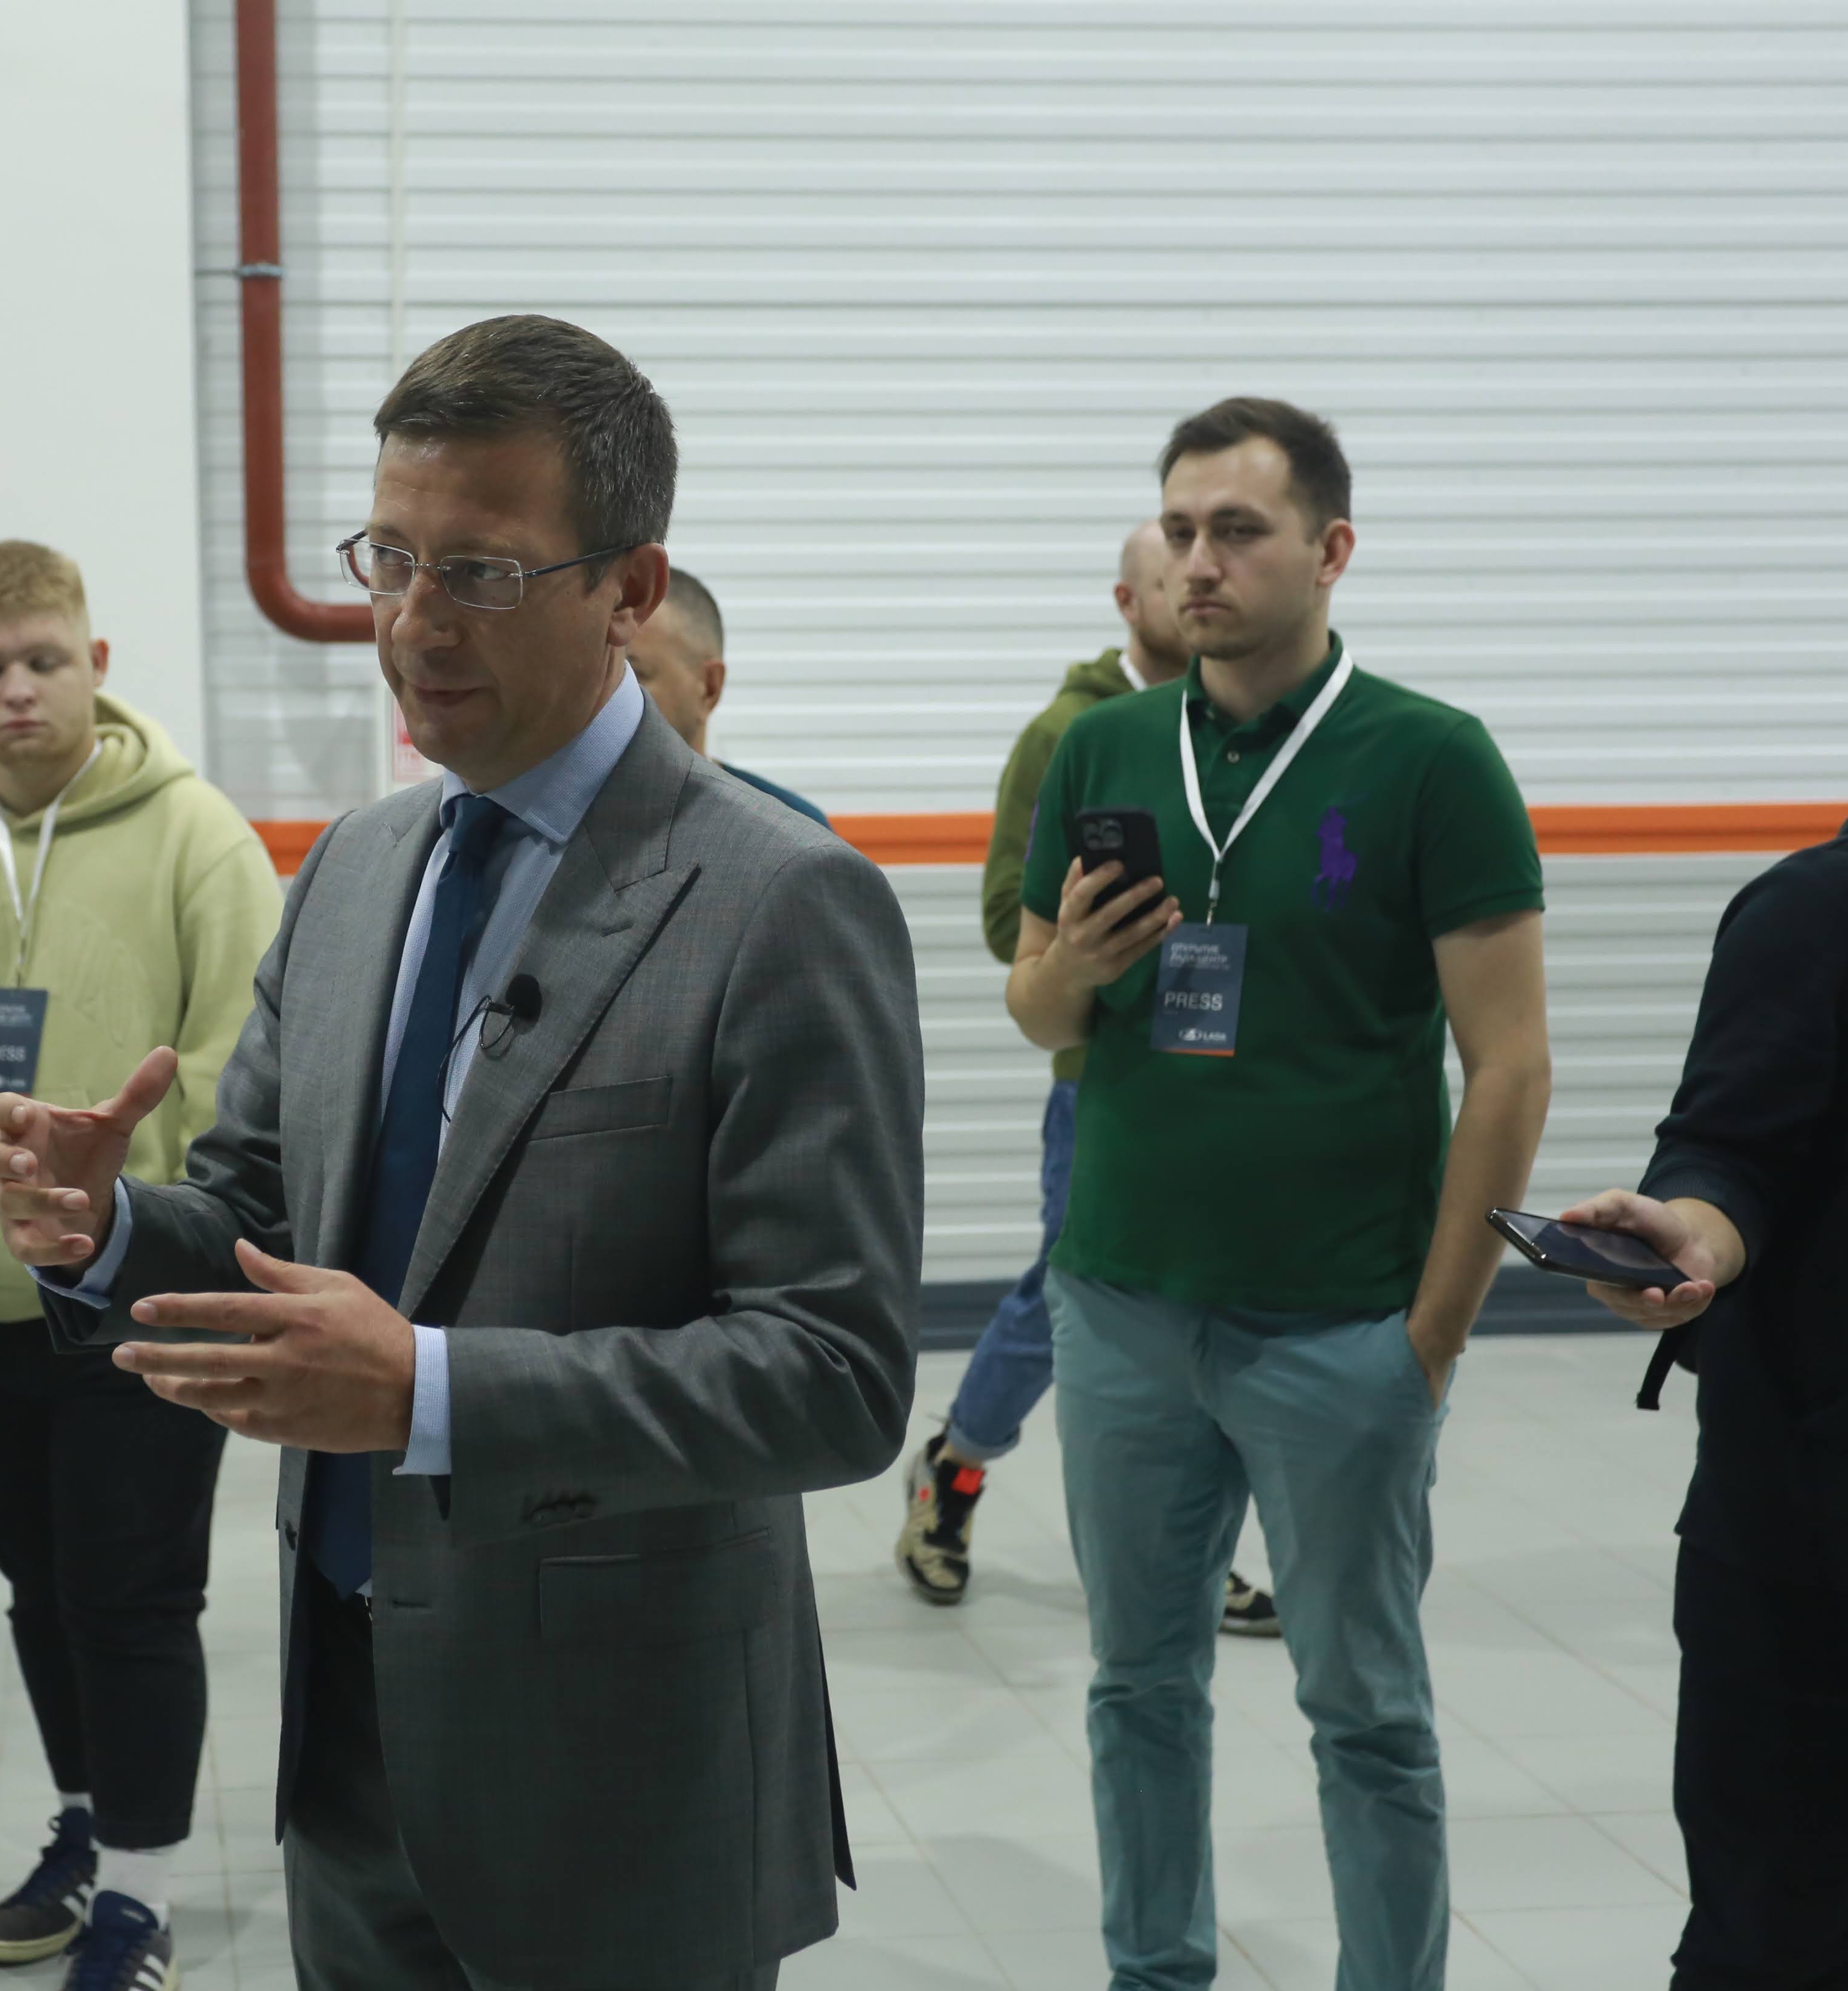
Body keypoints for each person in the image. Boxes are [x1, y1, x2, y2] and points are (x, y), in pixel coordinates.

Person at [0, 315, 925, 1989]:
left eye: (481, 571)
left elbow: (831, 1377)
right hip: (352, 1733)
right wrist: (108, 1227)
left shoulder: (778, 901)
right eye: (390, 558)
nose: (413, 621)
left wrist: (423, 1390)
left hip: (620, 1772)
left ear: (630, 590)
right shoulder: (356, 869)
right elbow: (264, 1214)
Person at [1006, 398, 1552, 1991]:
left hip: (1340, 1324)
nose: (1199, 561)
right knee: (1136, 1687)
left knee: (1363, 1710)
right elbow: (1034, 1009)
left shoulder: (1430, 758)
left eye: (1237, 531)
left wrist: (1432, 1332)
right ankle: (1153, 1971)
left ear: (1329, 551)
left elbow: (1507, 1066)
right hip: (1121, 1304)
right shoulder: (1104, 748)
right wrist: (1076, 967)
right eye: (1180, 530)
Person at [0, 539, 281, 1978]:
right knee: (39, 1588)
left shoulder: (197, 836)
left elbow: (245, 1073)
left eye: (43, 661)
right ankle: (86, 1826)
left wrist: (172, 1232)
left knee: (130, 1599)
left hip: (146, 1297)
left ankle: (138, 1892)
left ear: (96, 664)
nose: (16, 690)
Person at [1564, 704, 1848, 1987]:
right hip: (1826, 1571)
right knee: (1779, 1946)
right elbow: (1726, 1150)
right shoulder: (1832, 910)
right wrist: (1690, 1235)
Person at [895, 523, 1277, 1635]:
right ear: (1127, 600)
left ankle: (1192, 1541)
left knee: (1197, 1307)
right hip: (1103, 1082)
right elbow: (999, 917)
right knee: (1068, 1296)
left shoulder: (1240, 734)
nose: (1199, 584)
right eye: (1171, 575)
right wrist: (1090, 938)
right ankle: (954, 1471)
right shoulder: (1068, 734)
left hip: (1224, 1082)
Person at [623, 565, 829, 824]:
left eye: (635, 675)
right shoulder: (578, 818)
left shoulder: (790, 830)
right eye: (604, 675)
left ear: (709, 688)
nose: (610, 696)